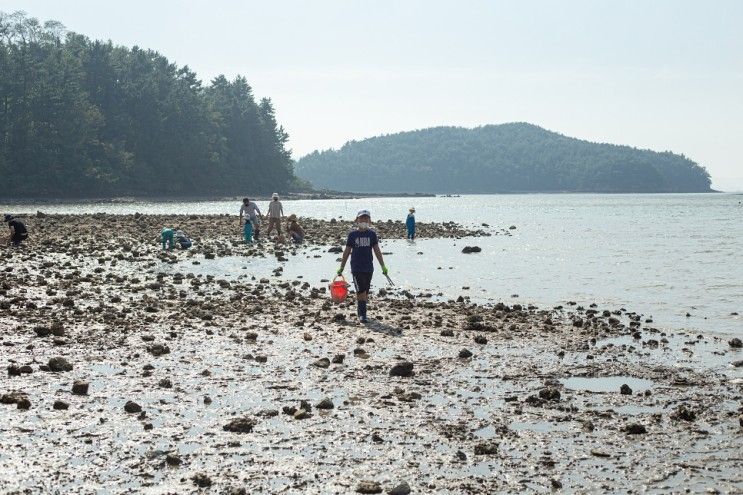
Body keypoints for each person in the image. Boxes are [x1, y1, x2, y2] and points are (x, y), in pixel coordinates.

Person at [338, 209, 388, 323]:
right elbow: (346, 251)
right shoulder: (352, 235)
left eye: (366, 218)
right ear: (357, 220)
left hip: (368, 268)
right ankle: (363, 315)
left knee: (365, 291)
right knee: (360, 291)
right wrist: (341, 267)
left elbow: (377, 251)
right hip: (356, 268)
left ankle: (361, 311)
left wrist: (383, 266)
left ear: (370, 221)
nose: (364, 220)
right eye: (362, 218)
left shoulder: (372, 234)